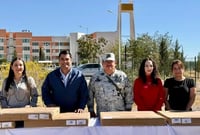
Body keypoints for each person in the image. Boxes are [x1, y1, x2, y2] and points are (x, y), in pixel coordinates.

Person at [87, 53, 133, 117]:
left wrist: (128, 108)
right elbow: (90, 95)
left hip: (120, 114)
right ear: (102, 63)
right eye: (106, 61)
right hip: (102, 114)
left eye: (111, 61)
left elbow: (129, 93)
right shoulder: (95, 78)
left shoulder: (122, 76)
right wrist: (91, 110)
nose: (109, 64)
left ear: (115, 63)